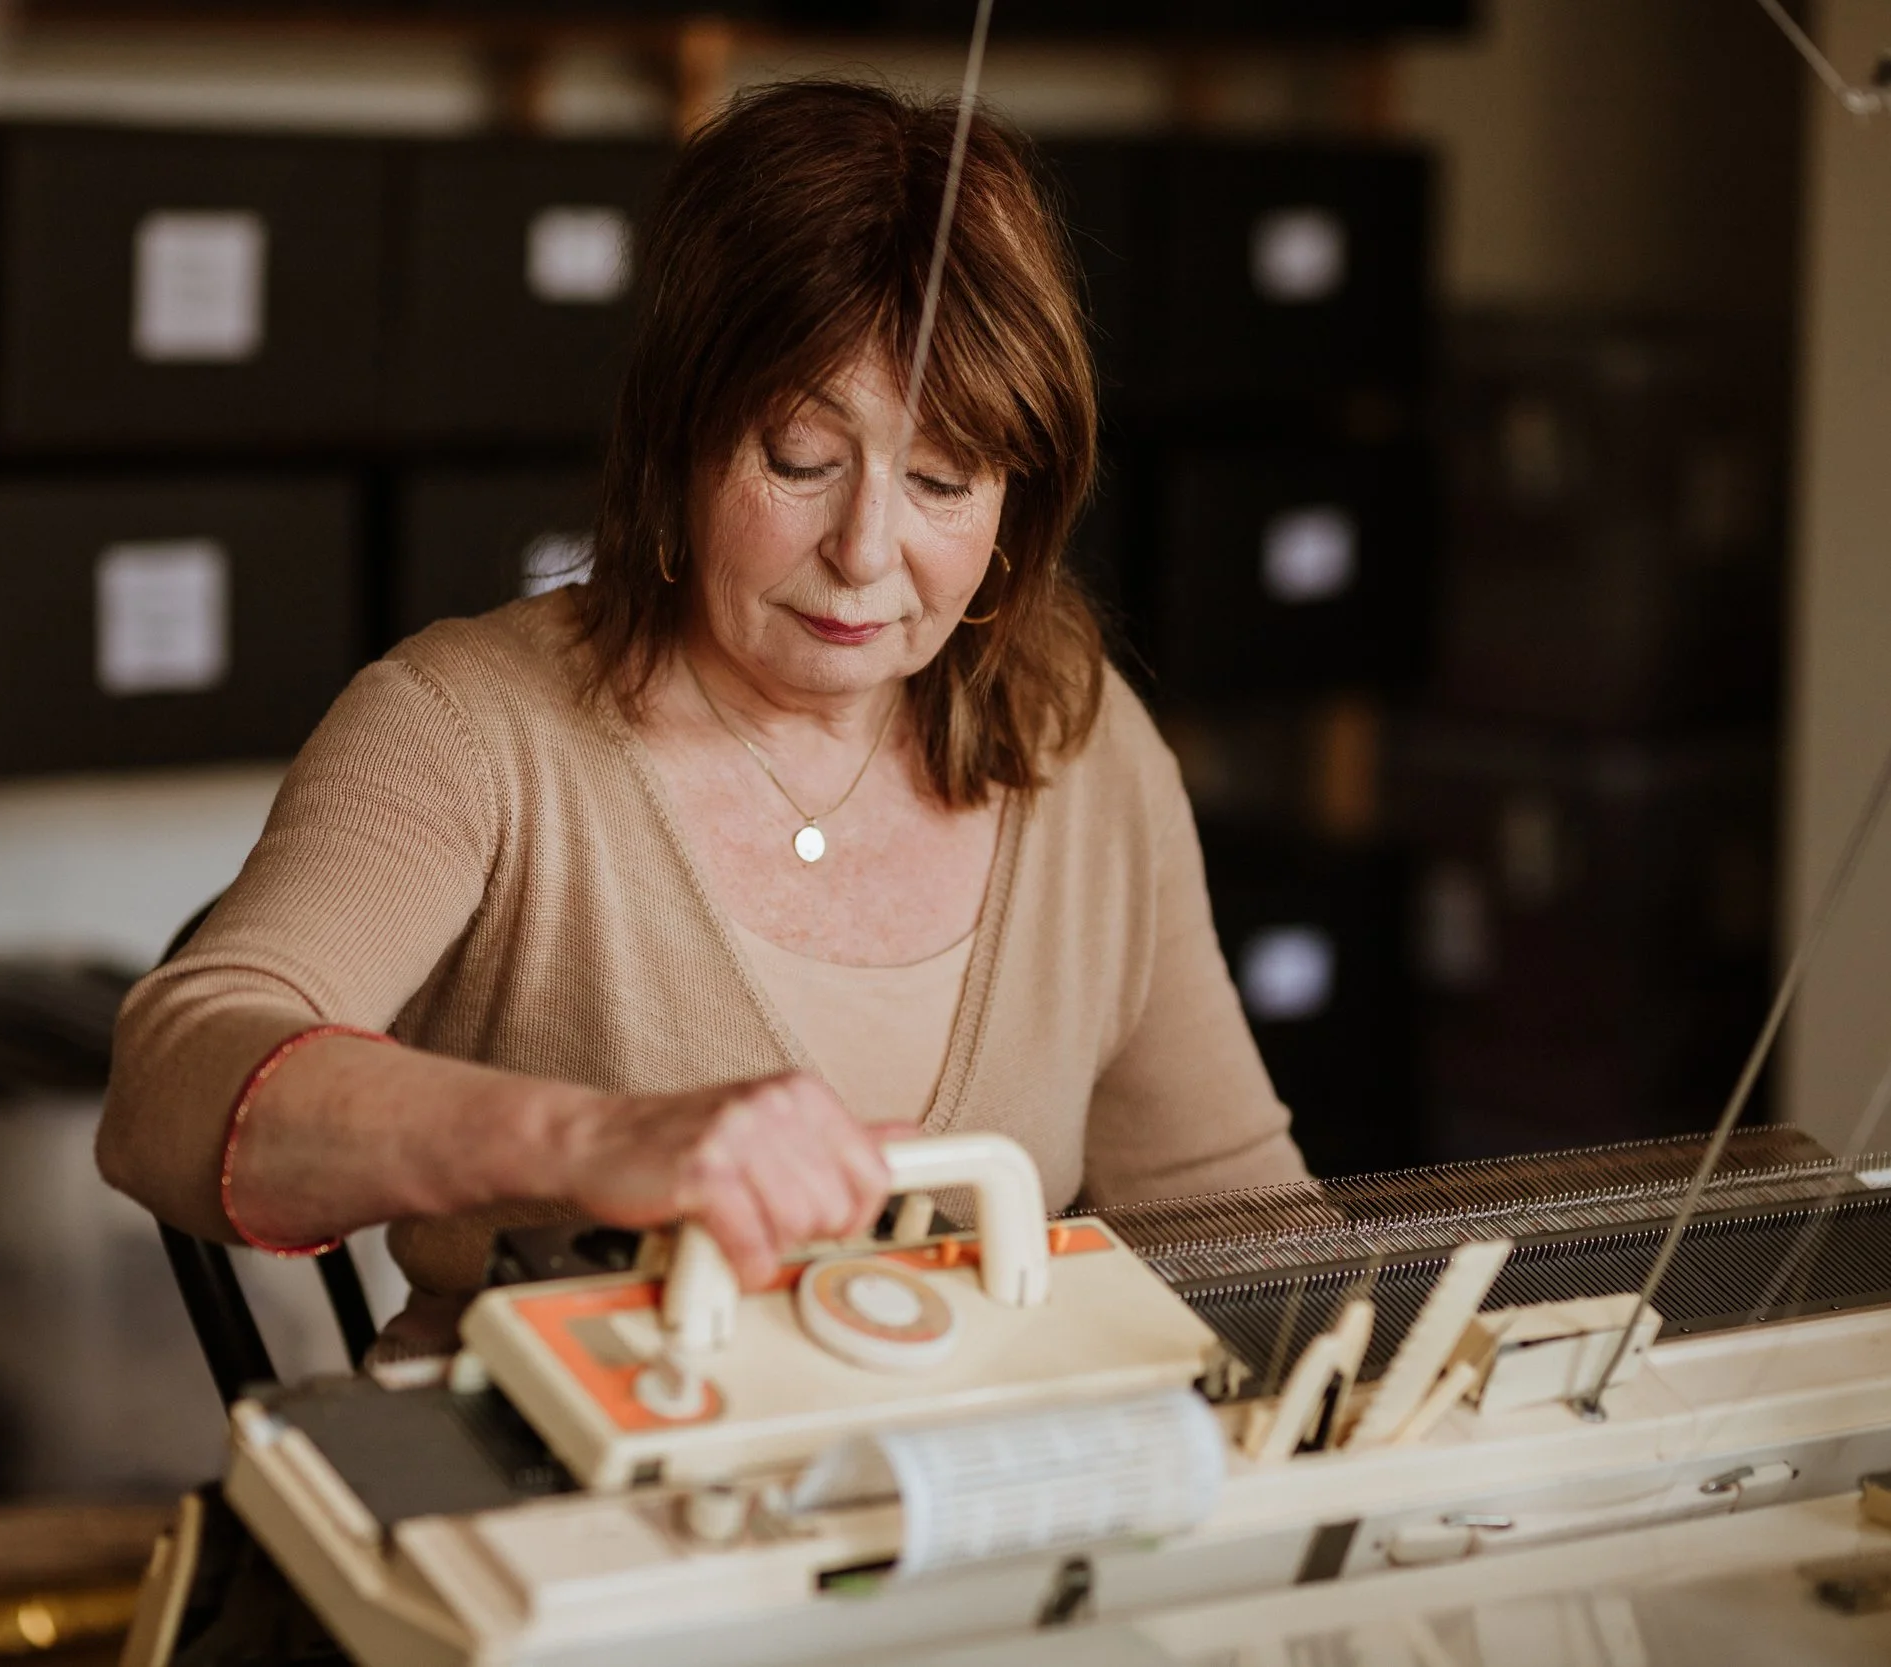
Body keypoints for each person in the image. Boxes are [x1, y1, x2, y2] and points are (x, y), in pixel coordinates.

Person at [99, 79, 1307, 1345]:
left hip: (975, 1466)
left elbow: (1236, 1221)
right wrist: (590, 1138)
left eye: (945, 479)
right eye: (798, 458)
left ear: (1022, 499)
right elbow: (166, 1090)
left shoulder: (1078, 739)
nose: (864, 550)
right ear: (677, 436)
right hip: (556, 1460)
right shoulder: (469, 729)